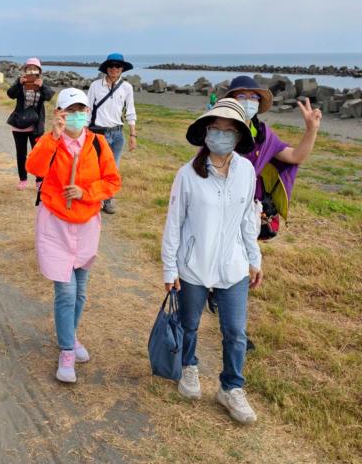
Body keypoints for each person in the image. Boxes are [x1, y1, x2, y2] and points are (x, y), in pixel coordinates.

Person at [161, 98, 262, 424]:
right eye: (215, 129)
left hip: (232, 267)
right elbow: (173, 223)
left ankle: (231, 387)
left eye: (228, 130)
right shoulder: (187, 175)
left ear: (238, 136)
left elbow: (249, 217)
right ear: (205, 133)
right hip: (193, 266)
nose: (221, 135)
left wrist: (254, 257)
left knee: (235, 331)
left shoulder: (246, 171)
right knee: (189, 324)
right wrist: (170, 267)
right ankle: (189, 368)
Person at [26, 88, 121, 384]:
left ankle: (70, 334)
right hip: (55, 222)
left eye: (82, 109)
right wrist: (52, 137)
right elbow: (34, 168)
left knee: (80, 291)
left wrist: (86, 192)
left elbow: (112, 181)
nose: (77, 115)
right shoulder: (50, 141)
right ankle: (67, 349)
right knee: (65, 291)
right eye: (71, 110)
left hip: (87, 223)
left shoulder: (97, 144)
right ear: (60, 113)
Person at [223, 75, 320, 240]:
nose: (248, 101)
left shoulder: (263, 135)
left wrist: (311, 130)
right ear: (230, 101)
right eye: (241, 96)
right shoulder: (218, 131)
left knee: (245, 258)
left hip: (249, 211)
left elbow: (296, 156)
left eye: (253, 97)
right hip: (221, 207)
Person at [86, 53, 138, 214]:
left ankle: (108, 200)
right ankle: (93, 198)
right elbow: (87, 110)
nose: (114, 69)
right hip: (98, 133)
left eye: (118, 66)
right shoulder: (95, 85)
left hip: (117, 134)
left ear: (122, 69)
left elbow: (130, 111)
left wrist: (132, 135)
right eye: (111, 66)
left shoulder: (127, 87)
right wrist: (83, 131)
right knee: (94, 168)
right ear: (106, 68)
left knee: (112, 170)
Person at [7, 57, 54, 189]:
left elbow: (50, 96)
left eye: (35, 68)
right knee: (21, 154)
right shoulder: (20, 82)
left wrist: (42, 85)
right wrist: (18, 84)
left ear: (39, 71)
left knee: (38, 154)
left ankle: (40, 180)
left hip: (36, 126)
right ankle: (23, 179)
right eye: (29, 68)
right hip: (19, 125)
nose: (32, 71)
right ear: (25, 70)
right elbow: (10, 94)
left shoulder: (41, 83)